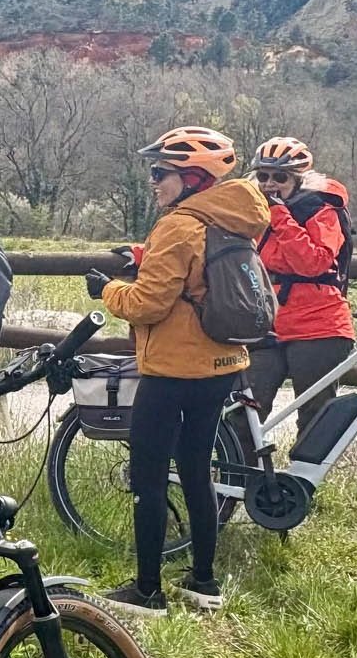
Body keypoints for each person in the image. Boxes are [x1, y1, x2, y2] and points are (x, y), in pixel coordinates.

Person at [86, 126, 267, 616]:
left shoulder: (178, 224)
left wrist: (107, 291)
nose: (153, 181)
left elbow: (147, 303)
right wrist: (147, 258)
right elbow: (201, 271)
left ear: (191, 176)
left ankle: (147, 591)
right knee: (195, 466)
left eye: (160, 172)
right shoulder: (234, 216)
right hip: (223, 363)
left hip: (172, 368)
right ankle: (204, 582)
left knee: (148, 475)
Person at [249, 136, 354, 436]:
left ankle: (301, 480)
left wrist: (280, 215)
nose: (270, 184)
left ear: (298, 179)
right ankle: (243, 480)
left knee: (314, 416)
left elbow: (313, 263)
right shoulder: (254, 213)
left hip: (319, 325)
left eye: (280, 177)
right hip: (267, 323)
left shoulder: (322, 210)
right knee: (244, 412)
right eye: (263, 176)